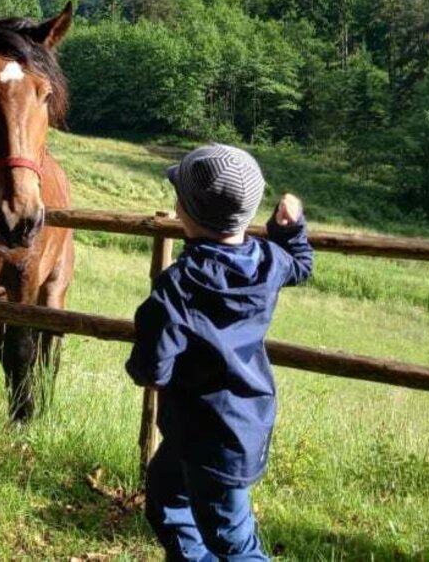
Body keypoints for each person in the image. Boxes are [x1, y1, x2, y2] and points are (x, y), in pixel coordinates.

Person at [127, 143, 313, 561]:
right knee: (165, 495)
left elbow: (154, 364)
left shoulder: (180, 284)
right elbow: (301, 263)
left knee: (234, 542)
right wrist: (290, 227)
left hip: (211, 435)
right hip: (237, 424)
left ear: (183, 209)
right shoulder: (269, 260)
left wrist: (142, 365)